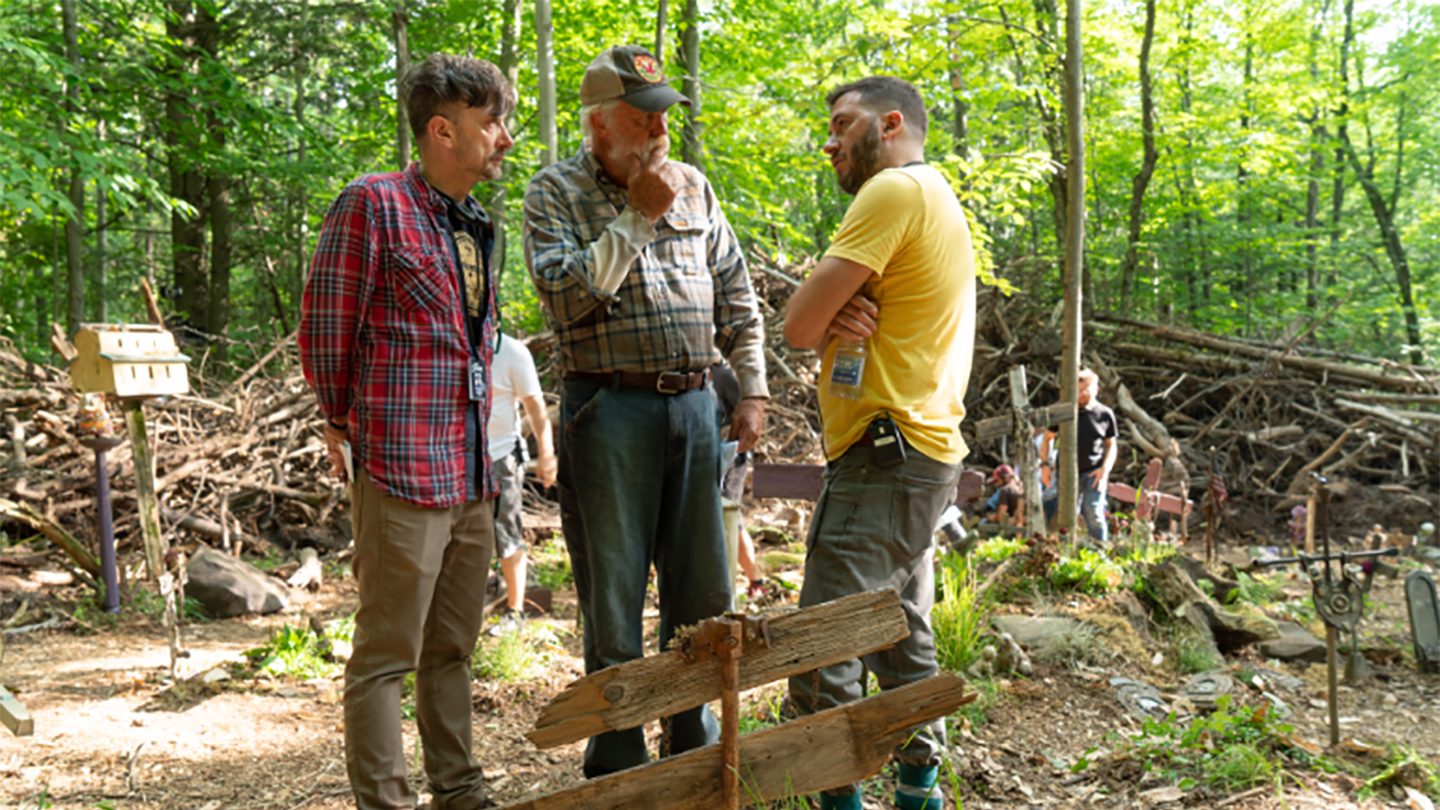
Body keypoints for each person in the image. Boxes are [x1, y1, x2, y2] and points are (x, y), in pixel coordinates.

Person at [522, 44, 767, 777]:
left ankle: (690, 756)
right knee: (614, 592)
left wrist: (750, 390)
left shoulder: (695, 187)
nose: (659, 133)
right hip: (608, 410)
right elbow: (565, 298)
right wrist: (634, 218)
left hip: (696, 408)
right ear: (599, 124)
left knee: (701, 596)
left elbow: (738, 300)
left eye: (664, 117)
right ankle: (619, 764)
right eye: (642, 118)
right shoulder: (554, 192)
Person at [298, 53, 513, 810]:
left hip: (471, 474)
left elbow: (477, 344)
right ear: (442, 130)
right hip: (399, 469)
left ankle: (459, 790)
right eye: (493, 124)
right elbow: (326, 330)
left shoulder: (481, 225)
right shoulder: (372, 204)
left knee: (452, 648)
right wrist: (344, 421)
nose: (506, 139)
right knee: (387, 654)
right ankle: (386, 802)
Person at [782, 76, 976, 810]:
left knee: (826, 643)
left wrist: (825, 314)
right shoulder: (938, 197)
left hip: (885, 456)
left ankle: (841, 800)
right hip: (918, 454)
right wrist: (839, 312)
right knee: (898, 632)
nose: (829, 140)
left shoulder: (894, 191)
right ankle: (919, 788)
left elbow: (797, 326)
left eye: (842, 123)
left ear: (891, 123)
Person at [486, 333, 557, 636]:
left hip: (503, 455)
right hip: (460, 456)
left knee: (507, 531)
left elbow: (536, 408)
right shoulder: (457, 342)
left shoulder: (512, 352)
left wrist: (547, 454)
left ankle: (515, 611)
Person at [712, 361, 768, 600]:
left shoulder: (723, 374)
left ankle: (753, 580)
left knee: (730, 518)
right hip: (710, 455)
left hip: (731, 454)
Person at [1076, 368, 1119, 543]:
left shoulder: (1104, 414)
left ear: (1096, 390)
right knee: (1060, 511)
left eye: (1086, 388)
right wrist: (1045, 465)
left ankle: (1101, 551)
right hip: (1066, 471)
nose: (1082, 393)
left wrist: (1104, 471)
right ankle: (1063, 551)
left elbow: (1111, 445)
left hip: (1092, 471)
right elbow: (1048, 438)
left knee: (1093, 511)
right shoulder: (1065, 411)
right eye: (1078, 389)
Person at [989, 464, 1024, 529]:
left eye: (997, 481)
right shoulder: (1021, 487)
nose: (996, 484)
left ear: (1004, 478)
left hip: (1012, 528)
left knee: (983, 522)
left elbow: (1000, 517)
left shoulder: (1005, 490)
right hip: (1022, 525)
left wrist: (992, 518)